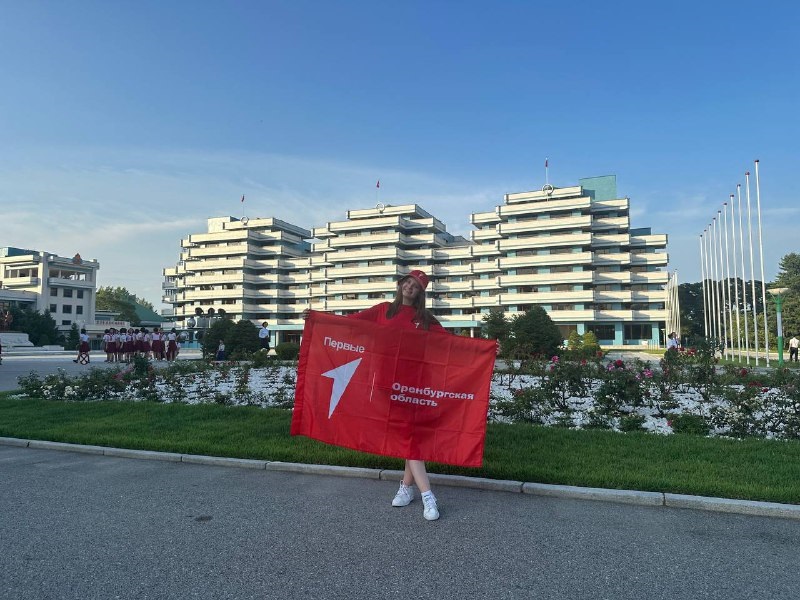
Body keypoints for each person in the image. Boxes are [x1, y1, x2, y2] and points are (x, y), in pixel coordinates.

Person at [303, 269, 447, 521]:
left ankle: (420, 493)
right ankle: (413, 490)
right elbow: (351, 322)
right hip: (387, 383)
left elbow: (451, 343)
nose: (410, 287)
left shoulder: (425, 319)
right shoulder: (384, 311)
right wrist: (318, 319)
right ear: (401, 284)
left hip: (415, 385)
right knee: (410, 436)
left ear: (420, 292)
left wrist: (488, 350)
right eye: (408, 282)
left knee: (409, 436)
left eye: (415, 285)